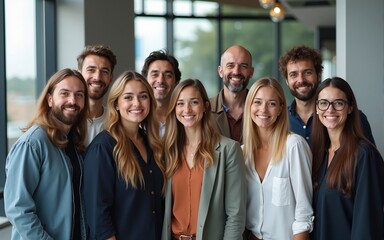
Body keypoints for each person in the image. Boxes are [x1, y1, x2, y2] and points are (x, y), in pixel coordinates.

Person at [4, 68, 89, 240]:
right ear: (50, 99)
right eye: (64, 93)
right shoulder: (32, 143)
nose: (72, 100)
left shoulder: (74, 143)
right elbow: (18, 209)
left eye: (79, 94)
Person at [83, 71, 165, 239]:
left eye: (143, 96)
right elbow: (99, 218)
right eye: (128, 97)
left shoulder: (153, 145)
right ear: (116, 104)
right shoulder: (103, 148)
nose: (137, 103)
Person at [162, 79, 246, 240]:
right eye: (180, 103)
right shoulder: (167, 151)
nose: (187, 109)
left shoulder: (228, 150)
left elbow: (236, 215)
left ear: (206, 106)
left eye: (194, 102)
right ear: (174, 108)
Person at [311, 77, 384, 240]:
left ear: (350, 107)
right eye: (323, 103)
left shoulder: (364, 155)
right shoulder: (318, 155)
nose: (330, 110)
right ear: (316, 108)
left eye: (338, 103)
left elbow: (368, 224)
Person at [242, 77, 313, 240]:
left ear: (281, 108)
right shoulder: (242, 154)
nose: (263, 110)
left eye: (271, 103)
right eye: (257, 102)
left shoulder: (294, 146)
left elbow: (304, 212)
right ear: (249, 106)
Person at [278, 45, 375, 144]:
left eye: (307, 72)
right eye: (293, 74)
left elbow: (369, 156)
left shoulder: (352, 117)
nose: (301, 80)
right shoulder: (279, 119)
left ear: (319, 75)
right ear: (287, 80)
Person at [210, 45, 254, 144]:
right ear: (220, 71)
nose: (236, 71)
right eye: (230, 65)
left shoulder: (262, 111)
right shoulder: (205, 110)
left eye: (243, 66)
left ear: (251, 72)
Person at [77, 44, 117, 146]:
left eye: (104, 71)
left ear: (111, 78)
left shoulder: (116, 121)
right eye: (91, 70)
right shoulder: (67, 120)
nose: (97, 77)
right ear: (79, 74)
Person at [141, 49, 181, 136]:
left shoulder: (185, 117)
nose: (161, 80)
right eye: (155, 74)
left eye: (168, 75)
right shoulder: (136, 118)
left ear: (176, 83)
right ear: (144, 81)